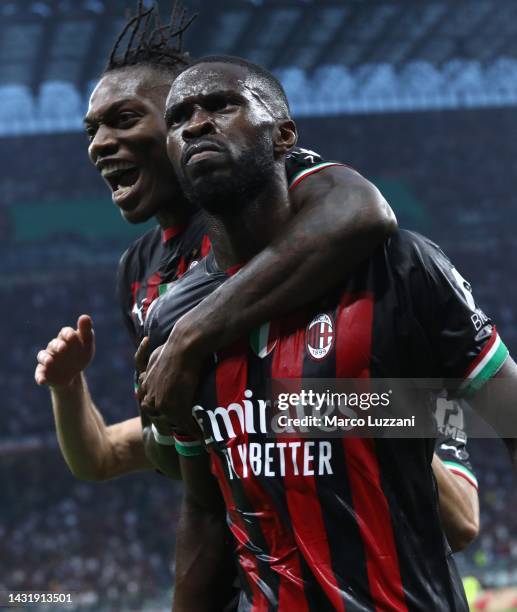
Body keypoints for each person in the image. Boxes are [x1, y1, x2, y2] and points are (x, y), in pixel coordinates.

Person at [33, 1, 479, 552]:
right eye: (92, 129)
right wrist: (73, 388)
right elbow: (137, 455)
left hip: (395, 428)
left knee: (454, 518)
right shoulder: (139, 270)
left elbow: (363, 210)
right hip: (277, 550)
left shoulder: (268, 203)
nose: (99, 144)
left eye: (124, 119)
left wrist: (197, 344)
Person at [144, 55, 516, 611]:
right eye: (177, 119)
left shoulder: (397, 265)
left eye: (222, 105)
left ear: (283, 136)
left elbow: (508, 417)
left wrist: (348, 410)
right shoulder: (170, 323)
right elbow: (203, 510)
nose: (195, 124)